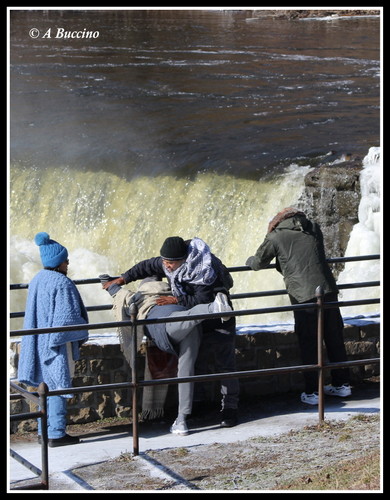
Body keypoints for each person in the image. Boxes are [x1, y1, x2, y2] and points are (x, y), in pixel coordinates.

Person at [103, 236, 239, 427]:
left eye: (170, 263)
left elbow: (204, 298)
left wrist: (176, 301)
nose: (166, 266)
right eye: (165, 261)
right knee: (196, 361)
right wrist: (123, 278)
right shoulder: (171, 263)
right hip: (195, 321)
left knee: (225, 365)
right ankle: (197, 406)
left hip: (219, 319)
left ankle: (229, 409)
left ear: (183, 259)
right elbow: (147, 266)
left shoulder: (204, 270)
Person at [245, 208, 351, 405]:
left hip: (304, 297)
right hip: (328, 290)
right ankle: (342, 384)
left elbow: (259, 262)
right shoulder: (314, 228)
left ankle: (313, 392)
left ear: (276, 223)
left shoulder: (275, 237)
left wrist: (250, 260)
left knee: (309, 343)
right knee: (334, 337)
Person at [17, 232, 89, 446]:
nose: (68, 263)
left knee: (44, 386)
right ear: (59, 262)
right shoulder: (62, 282)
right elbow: (67, 318)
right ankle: (56, 434)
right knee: (58, 384)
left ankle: (43, 432)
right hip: (57, 342)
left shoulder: (37, 278)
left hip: (39, 341)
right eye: (66, 260)